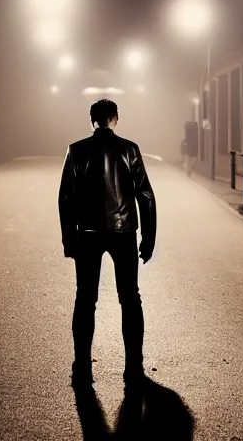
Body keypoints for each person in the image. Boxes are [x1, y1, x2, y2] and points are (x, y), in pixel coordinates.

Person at [58, 99, 157, 389]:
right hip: (123, 231)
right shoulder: (130, 149)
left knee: (85, 299)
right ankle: (133, 366)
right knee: (130, 299)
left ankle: (82, 365)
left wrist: (69, 239)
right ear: (115, 118)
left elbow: (65, 197)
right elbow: (146, 196)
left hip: (87, 233)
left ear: (92, 121)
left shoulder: (76, 150)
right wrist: (148, 238)